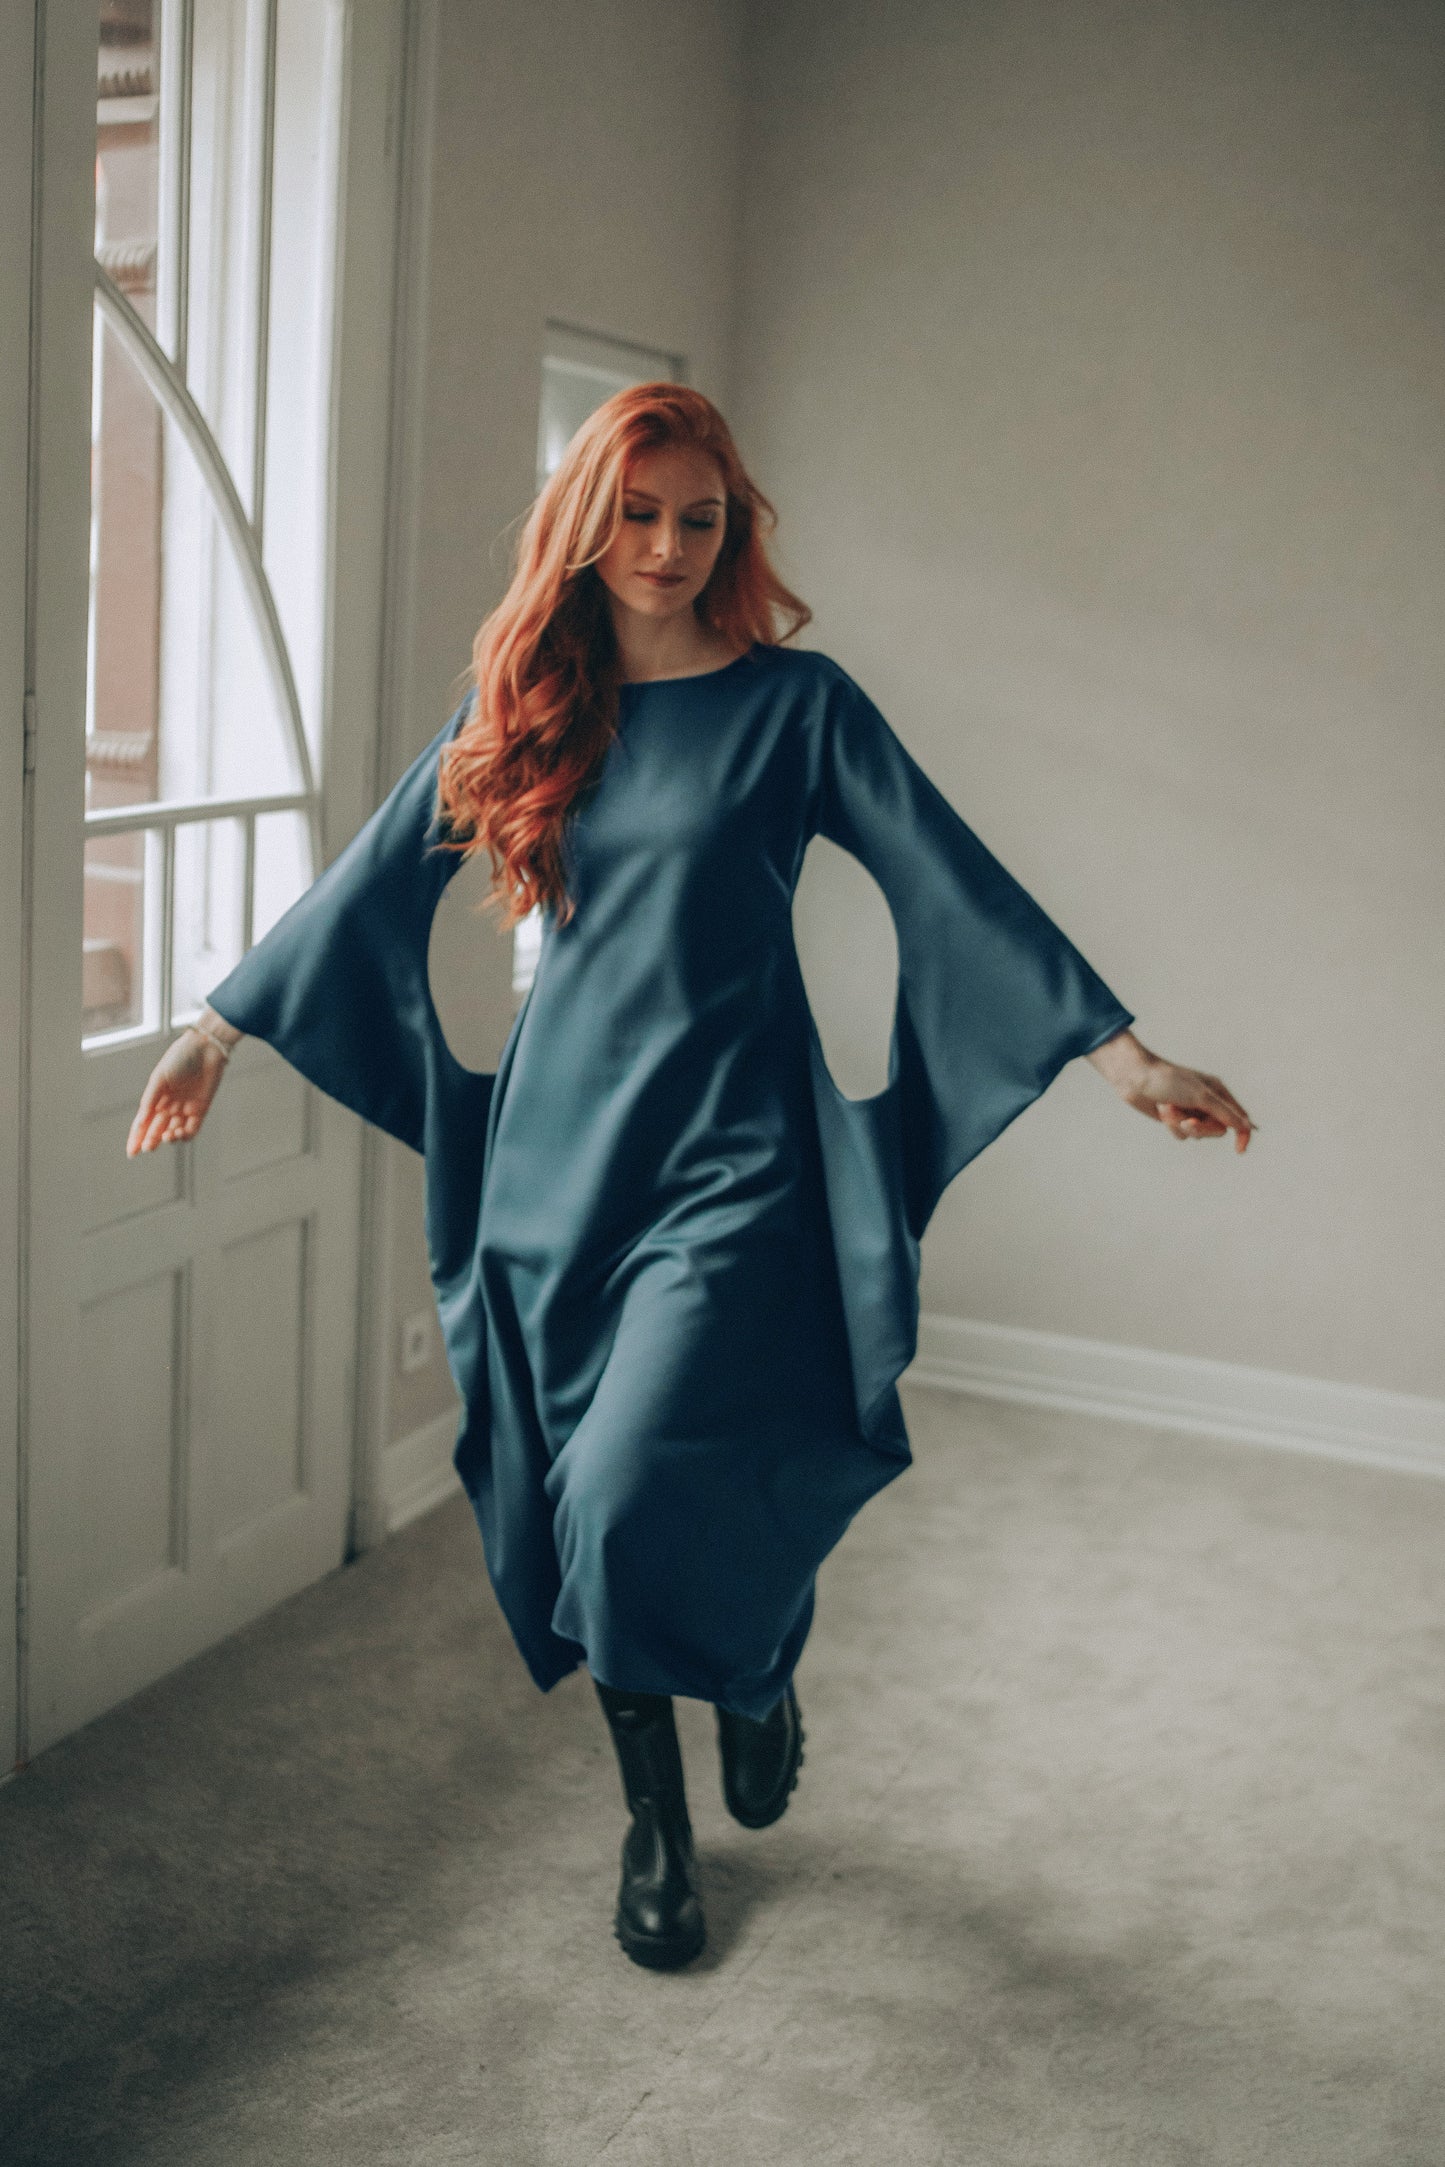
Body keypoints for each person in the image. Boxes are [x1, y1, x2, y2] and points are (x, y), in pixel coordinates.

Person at [127, 383, 1254, 1972]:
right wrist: (216, 1031)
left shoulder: (800, 709)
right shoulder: (526, 703)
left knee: (628, 1479)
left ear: (733, 528)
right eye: (639, 513)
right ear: (588, 526)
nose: (666, 545)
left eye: (698, 517)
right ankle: (659, 1817)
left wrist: (1123, 1058)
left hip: (735, 1155)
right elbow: (375, 877)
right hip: (557, 1159)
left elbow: (953, 877)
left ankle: (748, 1666)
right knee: (582, 1500)